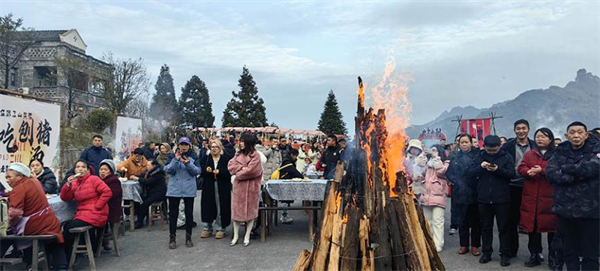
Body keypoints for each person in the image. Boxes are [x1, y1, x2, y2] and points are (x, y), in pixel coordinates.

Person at [547, 121, 600, 271]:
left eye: (579, 132)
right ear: (566, 135)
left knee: (591, 252)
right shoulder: (561, 150)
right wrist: (572, 176)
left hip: (591, 209)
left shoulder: (596, 148)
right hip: (565, 209)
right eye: (572, 132)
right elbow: (550, 173)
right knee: (570, 250)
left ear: (586, 134)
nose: (576, 135)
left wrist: (566, 169)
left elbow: (593, 168)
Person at [1, 163, 67, 270]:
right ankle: (61, 266)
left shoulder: (19, 188)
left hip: (35, 225)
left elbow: (15, 214)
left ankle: (30, 264)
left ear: (20, 176)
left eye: (9, 177)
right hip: (50, 222)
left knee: (6, 234)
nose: (7, 180)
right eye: (6, 178)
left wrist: (8, 225)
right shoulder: (35, 182)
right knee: (54, 243)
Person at [468, 135, 515, 267]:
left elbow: (512, 174)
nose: (492, 152)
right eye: (489, 150)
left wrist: (498, 170)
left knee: (504, 228)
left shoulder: (507, 157)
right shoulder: (479, 157)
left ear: (500, 146)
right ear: (484, 147)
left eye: (494, 150)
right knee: (485, 227)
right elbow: (470, 173)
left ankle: (505, 254)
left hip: (502, 198)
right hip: (483, 198)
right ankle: (486, 252)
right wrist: (481, 167)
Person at [517, 128, 558, 268]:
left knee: (552, 231)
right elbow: (521, 167)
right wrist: (527, 172)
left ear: (550, 139)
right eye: (538, 136)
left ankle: (553, 257)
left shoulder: (557, 154)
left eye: (544, 137)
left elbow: (559, 171)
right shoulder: (530, 154)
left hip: (550, 198)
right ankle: (534, 255)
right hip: (532, 197)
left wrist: (543, 171)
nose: (540, 139)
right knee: (532, 230)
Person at [60, 160, 112, 260]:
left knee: (67, 228)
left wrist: (97, 206)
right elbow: (65, 198)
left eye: (83, 167)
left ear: (88, 170)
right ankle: (73, 254)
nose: (80, 169)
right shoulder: (74, 182)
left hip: (97, 213)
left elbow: (107, 192)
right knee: (66, 225)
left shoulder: (94, 179)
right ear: (75, 170)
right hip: (83, 213)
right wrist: (67, 185)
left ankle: (68, 258)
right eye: (78, 167)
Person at [501, 119, 536, 258]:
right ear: (514, 130)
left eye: (523, 128)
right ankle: (511, 250)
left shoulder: (534, 146)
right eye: (518, 128)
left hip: (530, 185)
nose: (521, 131)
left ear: (528, 129)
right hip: (512, 186)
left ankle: (534, 252)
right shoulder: (508, 146)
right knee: (511, 220)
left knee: (532, 220)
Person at [446, 134, 481, 256]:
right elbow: (449, 173)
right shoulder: (455, 157)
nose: (464, 144)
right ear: (459, 144)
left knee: (476, 222)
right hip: (460, 193)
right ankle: (463, 245)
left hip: (475, 193)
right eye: (462, 142)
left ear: (471, 143)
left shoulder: (478, 156)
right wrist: (456, 181)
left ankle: (475, 245)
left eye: (466, 142)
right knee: (462, 221)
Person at [164, 137, 201, 249]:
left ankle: (188, 238)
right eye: (181, 145)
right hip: (174, 188)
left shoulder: (194, 156)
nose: (183, 147)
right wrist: (176, 160)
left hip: (188, 188)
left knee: (189, 214)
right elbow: (167, 170)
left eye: (186, 145)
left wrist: (188, 163)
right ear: (178, 145)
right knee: (173, 214)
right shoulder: (172, 156)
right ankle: (172, 238)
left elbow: (197, 171)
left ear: (189, 145)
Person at [228, 134, 263, 247]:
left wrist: (239, 171)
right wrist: (243, 168)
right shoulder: (237, 154)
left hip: (252, 188)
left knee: (251, 212)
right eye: (240, 141)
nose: (241, 143)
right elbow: (230, 166)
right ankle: (236, 236)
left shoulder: (256, 155)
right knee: (237, 212)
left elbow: (252, 171)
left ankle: (247, 235)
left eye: (243, 141)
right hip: (239, 188)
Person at [200, 139, 232, 239]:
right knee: (207, 205)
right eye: (212, 147)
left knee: (220, 206)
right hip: (208, 185)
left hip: (222, 186)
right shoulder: (205, 159)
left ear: (220, 148)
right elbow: (199, 170)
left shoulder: (226, 159)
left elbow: (230, 171)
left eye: (216, 147)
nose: (214, 149)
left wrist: (219, 171)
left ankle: (220, 228)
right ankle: (207, 228)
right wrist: (206, 170)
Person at [420, 144, 449, 253]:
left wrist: (436, 158)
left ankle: (438, 244)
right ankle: (429, 242)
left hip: (438, 196)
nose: (432, 152)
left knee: (438, 221)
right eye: (431, 150)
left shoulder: (445, 163)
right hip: (426, 196)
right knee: (428, 221)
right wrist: (423, 156)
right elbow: (420, 172)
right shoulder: (427, 164)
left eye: (435, 150)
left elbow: (441, 172)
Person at [132, 160, 167, 229]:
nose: (147, 167)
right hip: (152, 192)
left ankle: (140, 222)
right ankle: (140, 219)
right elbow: (143, 176)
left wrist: (137, 179)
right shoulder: (150, 172)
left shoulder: (158, 174)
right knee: (139, 200)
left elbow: (148, 182)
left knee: (144, 203)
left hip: (158, 193)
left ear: (153, 166)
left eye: (148, 165)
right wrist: (135, 176)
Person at [97, 159, 123, 251]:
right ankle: (100, 241)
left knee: (95, 220)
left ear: (111, 171)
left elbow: (111, 195)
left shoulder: (113, 181)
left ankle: (101, 241)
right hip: (104, 207)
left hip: (111, 209)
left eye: (105, 170)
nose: (102, 171)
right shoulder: (98, 180)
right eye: (101, 169)